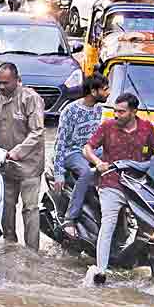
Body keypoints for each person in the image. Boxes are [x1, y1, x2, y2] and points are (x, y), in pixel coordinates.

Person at [81, 94, 154, 285]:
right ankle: (101, 270)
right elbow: (87, 148)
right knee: (108, 223)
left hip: (137, 186)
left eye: (121, 111)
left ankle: (146, 258)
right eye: (115, 111)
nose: (116, 115)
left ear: (133, 111)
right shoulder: (107, 126)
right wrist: (98, 162)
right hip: (111, 183)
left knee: (153, 220)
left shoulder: (146, 127)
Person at [0, 62, 46, 251]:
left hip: (30, 165)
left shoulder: (30, 98)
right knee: (6, 206)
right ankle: (9, 246)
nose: (1, 87)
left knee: (30, 208)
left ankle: (32, 252)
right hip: (5, 164)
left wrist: (18, 151)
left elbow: (37, 132)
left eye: (5, 83)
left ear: (17, 80)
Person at [54, 73, 110, 239]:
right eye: (105, 89)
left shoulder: (99, 109)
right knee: (86, 172)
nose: (108, 93)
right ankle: (69, 219)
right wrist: (58, 173)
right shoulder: (70, 111)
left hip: (91, 150)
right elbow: (60, 142)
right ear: (93, 91)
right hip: (72, 152)